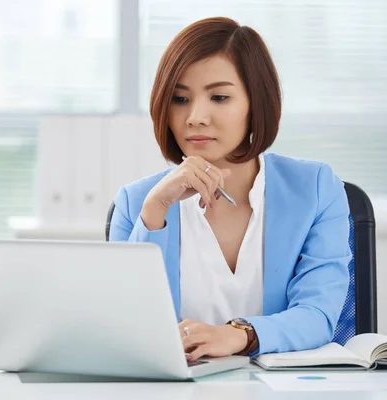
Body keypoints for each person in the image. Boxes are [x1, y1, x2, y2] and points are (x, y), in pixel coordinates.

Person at [109, 17, 351, 361]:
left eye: (219, 97)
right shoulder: (137, 203)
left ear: (256, 103)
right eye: (179, 99)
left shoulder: (314, 189)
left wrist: (238, 335)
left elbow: (318, 316)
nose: (195, 117)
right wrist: (155, 213)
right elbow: (121, 327)